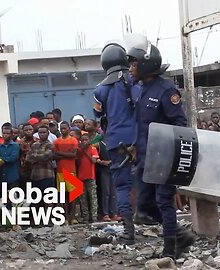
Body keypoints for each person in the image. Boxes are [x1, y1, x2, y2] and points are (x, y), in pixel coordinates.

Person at [127, 36, 195, 258]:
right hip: (146, 158)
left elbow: (180, 123)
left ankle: (170, 250)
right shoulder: (140, 89)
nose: (131, 68)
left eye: (134, 63)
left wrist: (172, 155)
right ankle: (180, 235)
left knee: (164, 201)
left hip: (164, 157)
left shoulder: (166, 90)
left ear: (146, 64)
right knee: (144, 205)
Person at [93, 42, 138, 243]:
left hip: (115, 143)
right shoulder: (135, 82)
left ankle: (129, 233)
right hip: (140, 139)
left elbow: (97, 112)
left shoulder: (100, 89)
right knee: (154, 182)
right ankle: (166, 227)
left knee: (121, 188)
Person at [25, 125, 55, 224]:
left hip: (47, 175)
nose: (42, 134)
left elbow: (46, 156)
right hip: (35, 175)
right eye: (40, 133)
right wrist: (37, 157)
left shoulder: (50, 145)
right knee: (35, 199)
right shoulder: (34, 145)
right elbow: (28, 158)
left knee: (48, 199)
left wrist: (35, 157)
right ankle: (37, 220)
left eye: (44, 132)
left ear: (48, 133)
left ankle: (49, 219)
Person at [54, 122, 78, 225]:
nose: (63, 130)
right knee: (63, 195)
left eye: (65, 128)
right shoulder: (56, 141)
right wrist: (66, 154)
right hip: (60, 171)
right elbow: (54, 155)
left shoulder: (73, 140)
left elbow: (73, 154)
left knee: (73, 195)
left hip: (71, 171)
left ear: (68, 128)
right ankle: (65, 217)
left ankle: (73, 217)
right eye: (61, 128)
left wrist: (60, 153)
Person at [97, 135, 121, 222]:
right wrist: (101, 161)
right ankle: (105, 213)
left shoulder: (114, 145)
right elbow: (94, 156)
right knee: (106, 192)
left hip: (113, 170)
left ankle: (114, 213)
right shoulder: (99, 145)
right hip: (104, 171)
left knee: (113, 193)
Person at [77, 134, 99, 223]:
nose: (84, 142)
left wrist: (85, 152)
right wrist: (81, 151)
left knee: (93, 198)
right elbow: (77, 162)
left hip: (90, 176)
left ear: (89, 140)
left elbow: (94, 161)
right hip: (81, 177)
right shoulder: (79, 151)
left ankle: (94, 217)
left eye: (86, 140)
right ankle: (86, 217)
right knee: (83, 199)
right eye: (82, 140)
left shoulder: (93, 149)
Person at [0, 126, 20, 196]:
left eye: (7, 133)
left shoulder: (15, 146)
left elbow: (13, 158)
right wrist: (3, 159)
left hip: (12, 177)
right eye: (4, 133)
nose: (5, 135)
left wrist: (1, 159)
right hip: (1, 177)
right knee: (3, 199)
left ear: (11, 134)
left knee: (14, 198)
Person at [18, 124, 36, 190]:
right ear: (23, 131)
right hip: (24, 171)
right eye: (26, 130)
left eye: (30, 129)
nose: (28, 131)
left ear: (33, 130)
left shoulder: (38, 141)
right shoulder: (19, 143)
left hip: (36, 170)